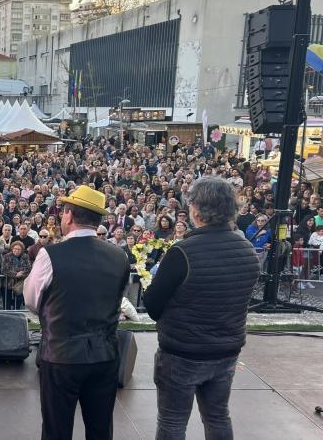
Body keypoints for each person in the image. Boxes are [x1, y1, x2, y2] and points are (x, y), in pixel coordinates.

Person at [144, 177, 260, 439]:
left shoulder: (182, 252)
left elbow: (152, 306)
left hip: (182, 353)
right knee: (218, 417)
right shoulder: (247, 250)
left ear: (196, 209)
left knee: (172, 422)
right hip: (226, 351)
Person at [23, 185, 130, 440]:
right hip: (105, 355)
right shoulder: (119, 256)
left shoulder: (50, 255)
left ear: (69, 215)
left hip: (61, 356)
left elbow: (31, 299)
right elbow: (118, 297)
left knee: (56, 431)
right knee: (100, 429)